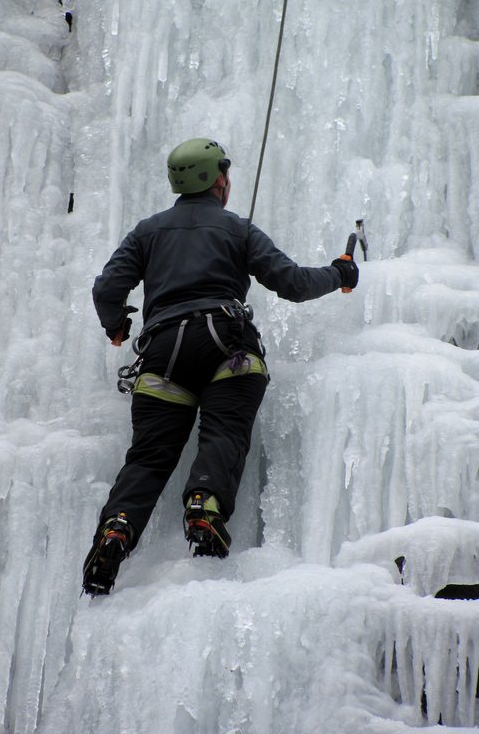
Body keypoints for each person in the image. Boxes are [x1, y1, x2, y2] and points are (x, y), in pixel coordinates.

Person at [82, 138, 358, 595]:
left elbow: (107, 287)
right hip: (225, 343)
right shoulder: (237, 230)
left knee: (149, 458)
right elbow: (291, 283)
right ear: (217, 180)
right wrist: (340, 273)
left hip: (162, 354)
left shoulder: (146, 232)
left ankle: (116, 528)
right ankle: (204, 505)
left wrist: (117, 326)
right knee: (225, 428)